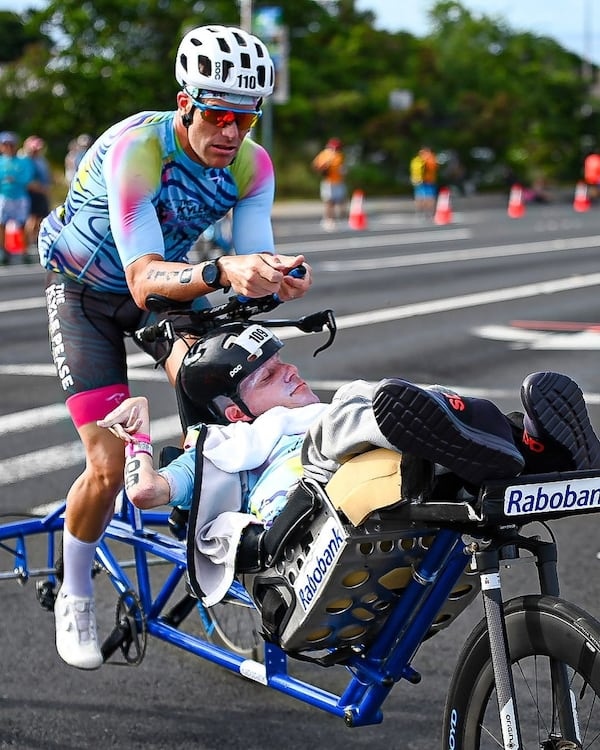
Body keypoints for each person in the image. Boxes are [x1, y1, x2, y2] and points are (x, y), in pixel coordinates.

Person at [41, 24, 312, 671]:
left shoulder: (252, 163)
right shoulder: (140, 149)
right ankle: (74, 589)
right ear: (185, 102)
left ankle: (226, 529)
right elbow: (142, 276)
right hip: (87, 292)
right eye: (218, 115)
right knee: (107, 465)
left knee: (233, 399)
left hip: (165, 289)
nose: (231, 133)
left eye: (246, 119)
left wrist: (276, 273)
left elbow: (249, 249)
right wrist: (223, 272)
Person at [99, 322, 600, 609]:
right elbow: (144, 493)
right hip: (309, 515)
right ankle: (450, 425)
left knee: (378, 416)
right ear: (237, 411)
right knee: (356, 406)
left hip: (377, 487)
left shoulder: (316, 414)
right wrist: (140, 434)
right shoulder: (223, 447)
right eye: (270, 375)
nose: (291, 370)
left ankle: (535, 451)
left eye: (283, 361)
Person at [0, 131, 35, 264]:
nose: (8, 147)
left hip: (20, 196)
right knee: (1, 225)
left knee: (22, 224)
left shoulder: (23, 161)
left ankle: (24, 252)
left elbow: (27, 178)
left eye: (11, 144)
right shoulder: (1, 162)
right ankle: (3, 252)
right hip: (4, 196)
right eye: (5, 144)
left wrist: (15, 179)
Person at [22, 135, 52, 255]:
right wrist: (40, 188)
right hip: (33, 193)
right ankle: (29, 241)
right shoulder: (26, 161)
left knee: (40, 218)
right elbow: (27, 180)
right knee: (32, 218)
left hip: (42, 192)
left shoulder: (41, 160)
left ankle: (34, 240)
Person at [311, 138, 346, 231]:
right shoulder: (325, 154)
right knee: (329, 201)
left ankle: (338, 218)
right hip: (329, 181)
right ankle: (328, 220)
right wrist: (324, 168)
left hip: (339, 181)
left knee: (341, 201)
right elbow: (316, 165)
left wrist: (343, 171)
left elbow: (341, 168)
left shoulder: (339, 155)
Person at [410, 146, 438, 218]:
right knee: (429, 197)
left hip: (417, 181)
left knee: (419, 196)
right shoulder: (430, 159)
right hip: (428, 181)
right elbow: (434, 167)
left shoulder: (416, 160)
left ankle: (420, 212)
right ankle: (429, 212)